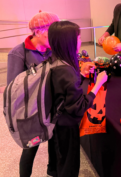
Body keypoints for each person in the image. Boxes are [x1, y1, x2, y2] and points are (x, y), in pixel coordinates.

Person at [46, 21, 108, 177]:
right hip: (66, 126)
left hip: (53, 120)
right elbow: (80, 106)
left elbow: (63, 90)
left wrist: (80, 74)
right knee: (69, 163)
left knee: (57, 155)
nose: (80, 40)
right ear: (70, 42)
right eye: (78, 37)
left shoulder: (52, 60)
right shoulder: (67, 71)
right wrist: (98, 84)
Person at [7, 11, 60, 177]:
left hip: (52, 106)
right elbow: (13, 88)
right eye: (52, 31)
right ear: (38, 31)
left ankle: (53, 171)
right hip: (32, 112)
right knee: (30, 148)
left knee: (55, 143)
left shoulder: (53, 49)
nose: (55, 36)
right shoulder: (18, 53)